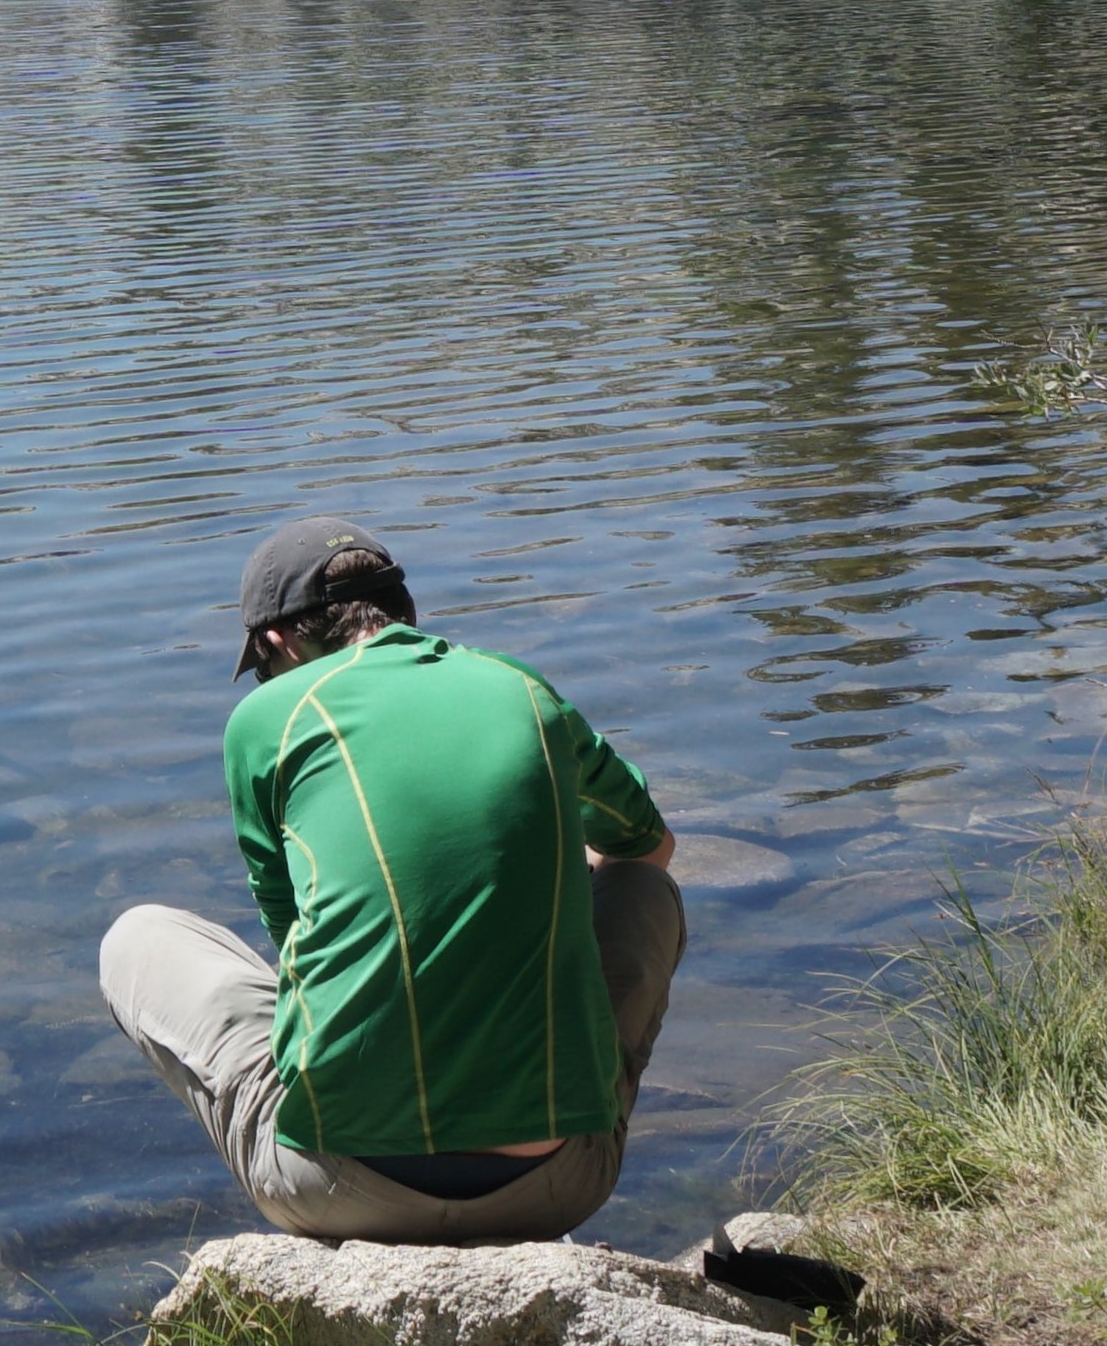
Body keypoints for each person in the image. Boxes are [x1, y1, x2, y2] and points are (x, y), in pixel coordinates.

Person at [98, 514, 685, 1246]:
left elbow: (296, 956)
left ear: (280, 642)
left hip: (334, 1188)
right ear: (399, 609)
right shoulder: (520, 689)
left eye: (265, 662)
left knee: (135, 938)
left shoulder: (265, 720)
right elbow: (649, 848)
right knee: (646, 892)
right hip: (561, 1185)